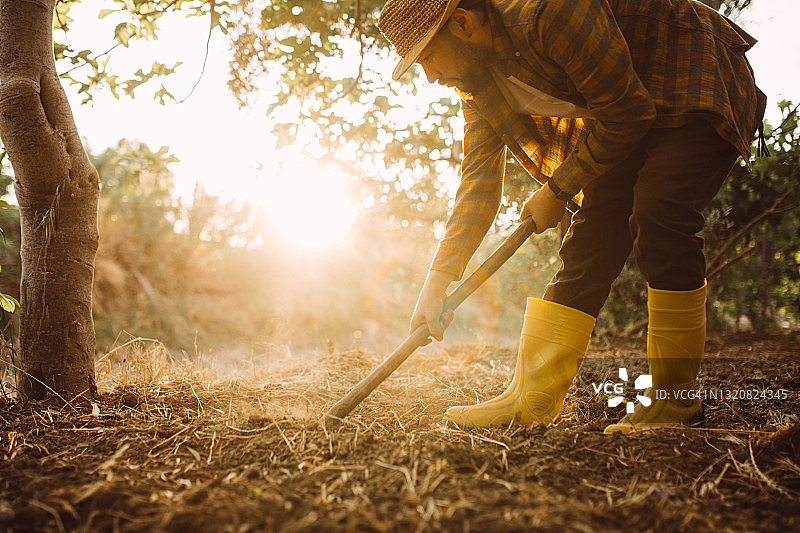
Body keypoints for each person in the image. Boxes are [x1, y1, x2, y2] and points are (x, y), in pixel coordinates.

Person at [377, 0, 766, 433]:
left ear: (463, 23)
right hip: (631, 106)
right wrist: (436, 282)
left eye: (428, 56)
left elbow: (627, 112)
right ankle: (532, 398)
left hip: (694, 74)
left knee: (659, 213)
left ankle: (675, 403)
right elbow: (478, 187)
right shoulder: (477, 84)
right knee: (590, 237)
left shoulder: (548, 11)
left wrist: (559, 188)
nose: (429, 76)